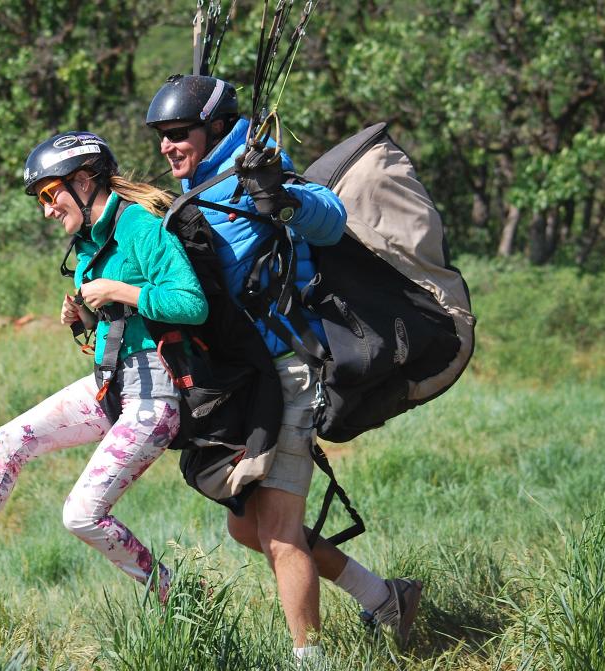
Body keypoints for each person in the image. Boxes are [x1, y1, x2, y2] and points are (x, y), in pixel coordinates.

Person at [146, 74, 422, 657]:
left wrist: (281, 195)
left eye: (179, 133)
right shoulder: (199, 185)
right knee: (247, 527)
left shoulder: (257, 170)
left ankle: (310, 660)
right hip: (249, 381)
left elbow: (328, 217)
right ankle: (385, 597)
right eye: (162, 135)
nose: (168, 146)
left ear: (216, 127)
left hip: (291, 367)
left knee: (276, 529)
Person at [0, 132, 208, 604]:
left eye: (49, 195)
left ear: (83, 181)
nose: (47, 210)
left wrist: (117, 291)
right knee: (9, 438)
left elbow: (192, 304)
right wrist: (86, 319)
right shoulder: (89, 243)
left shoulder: (139, 225)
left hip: (155, 396)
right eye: (42, 199)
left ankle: (179, 595)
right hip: (112, 385)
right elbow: (122, 324)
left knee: (80, 515)